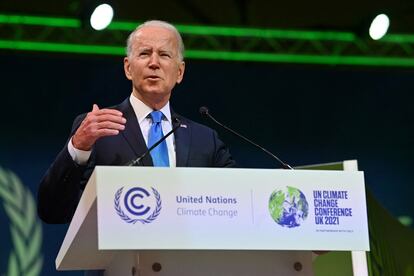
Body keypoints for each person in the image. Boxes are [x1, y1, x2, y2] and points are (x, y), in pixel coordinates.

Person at [37, 20, 235, 224]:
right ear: (128, 68)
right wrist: (78, 146)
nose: (154, 63)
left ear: (179, 72)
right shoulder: (98, 130)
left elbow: (239, 201)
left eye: (165, 54)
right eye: (144, 53)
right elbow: (52, 210)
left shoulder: (205, 139)